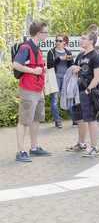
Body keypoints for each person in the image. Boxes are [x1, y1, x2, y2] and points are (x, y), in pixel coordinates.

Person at [13, 21, 51, 162]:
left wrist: (41, 70)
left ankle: (33, 148)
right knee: (24, 120)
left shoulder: (37, 48)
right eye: (46, 32)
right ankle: (20, 151)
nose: (47, 34)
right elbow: (16, 64)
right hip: (28, 89)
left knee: (35, 119)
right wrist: (33, 71)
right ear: (39, 34)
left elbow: (34, 65)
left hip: (37, 89)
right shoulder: (26, 47)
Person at [66, 31, 99, 157]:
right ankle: (81, 143)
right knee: (80, 119)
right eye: (81, 38)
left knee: (91, 119)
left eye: (84, 38)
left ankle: (95, 147)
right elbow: (76, 69)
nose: (81, 40)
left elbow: (98, 76)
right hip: (78, 91)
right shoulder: (80, 55)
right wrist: (74, 70)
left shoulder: (95, 57)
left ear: (91, 41)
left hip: (88, 92)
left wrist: (89, 89)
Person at [46, 34, 76, 128]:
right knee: (54, 99)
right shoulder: (51, 52)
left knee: (68, 98)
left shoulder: (67, 52)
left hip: (65, 78)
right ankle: (57, 121)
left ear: (64, 42)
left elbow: (72, 66)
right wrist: (59, 59)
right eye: (56, 41)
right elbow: (49, 65)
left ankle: (74, 119)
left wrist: (69, 60)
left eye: (60, 41)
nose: (57, 43)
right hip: (55, 78)